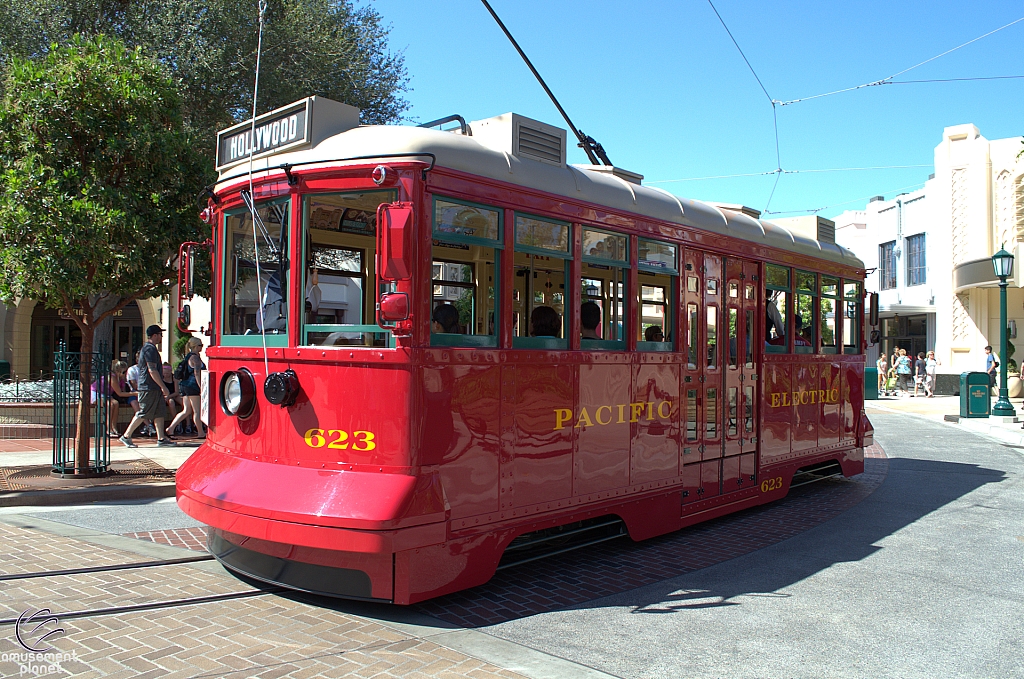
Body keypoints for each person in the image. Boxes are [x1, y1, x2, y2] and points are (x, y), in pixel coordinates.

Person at [119, 325, 174, 448]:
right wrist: (163, 386)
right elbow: (152, 370)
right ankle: (126, 436)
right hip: (148, 387)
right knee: (143, 412)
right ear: (155, 335)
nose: (161, 337)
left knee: (159, 412)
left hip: (154, 387)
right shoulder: (149, 349)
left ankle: (161, 439)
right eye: (160, 334)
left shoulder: (151, 348)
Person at [168, 337, 207, 439]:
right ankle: (200, 432)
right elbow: (197, 373)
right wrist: (201, 387)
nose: (201, 347)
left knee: (186, 410)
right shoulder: (195, 358)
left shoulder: (188, 356)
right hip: (193, 386)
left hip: (185, 386)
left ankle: (171, 428)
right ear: (195, 346)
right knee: (197, 411)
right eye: (200, 345)